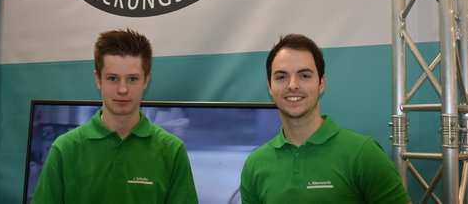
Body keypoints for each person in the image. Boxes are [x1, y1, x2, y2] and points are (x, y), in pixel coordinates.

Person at [240, 33, 411, 204]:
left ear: (321, 83)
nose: (292, 85)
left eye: (304, 75)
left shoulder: (364, 154)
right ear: (270, 86)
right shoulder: (255, 165)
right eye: (281, 77)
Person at [32, 29, 198, 204]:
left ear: (146, 80)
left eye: (132, 79)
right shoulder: (64, 149)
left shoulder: (172, 151)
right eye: (112, 78)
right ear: (98, 79)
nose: (122, 89)